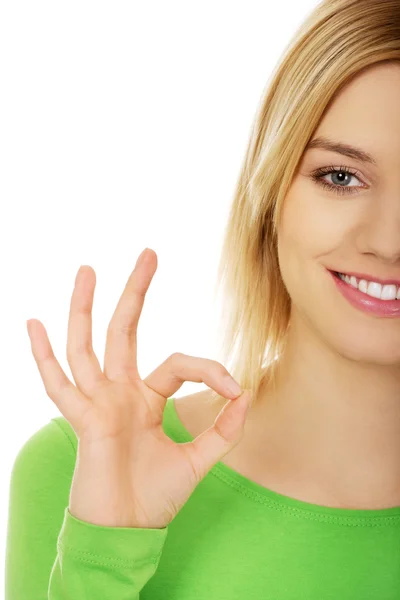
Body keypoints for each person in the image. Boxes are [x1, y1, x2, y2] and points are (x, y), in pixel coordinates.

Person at [6, 0, 400, 598]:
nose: (388, 241)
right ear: (271, 194)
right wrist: (102, 557)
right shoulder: (83, 469)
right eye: (340, 177)